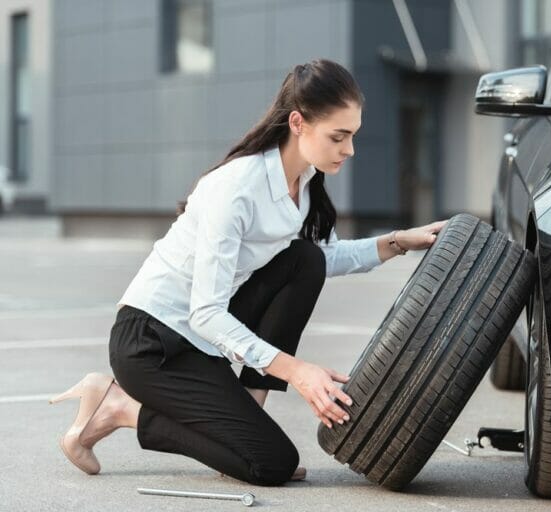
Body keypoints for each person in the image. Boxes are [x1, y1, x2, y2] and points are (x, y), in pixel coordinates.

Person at [49, 59, 447, 486]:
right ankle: (118, 407)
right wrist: (296, 371)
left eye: (353, 136)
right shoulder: (237, 188)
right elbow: (206, 312)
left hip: (201, 339)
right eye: (338, 136)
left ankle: (246, 420)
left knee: (305, 260)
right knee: (272, 464)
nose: (349, 150)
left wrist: (398, 242)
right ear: (298, 123)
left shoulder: (304, 184)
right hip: (152, 344)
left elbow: (324, 259)